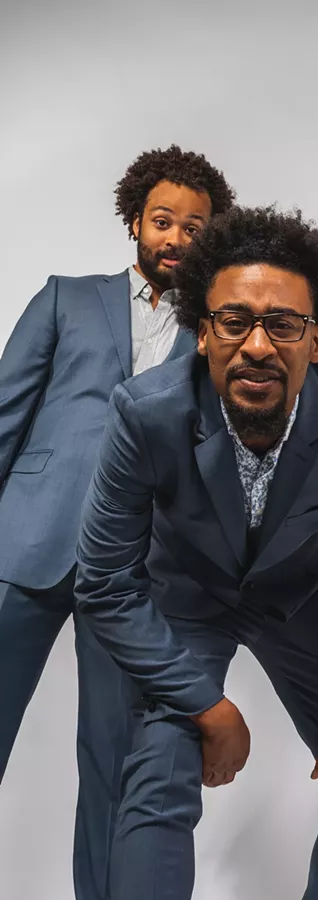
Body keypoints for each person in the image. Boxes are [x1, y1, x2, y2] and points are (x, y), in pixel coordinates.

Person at [74, 206, 318, 900]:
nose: (257, 345)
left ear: (317, 339)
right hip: (185, 597)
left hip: (303, 596)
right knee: (156, 782)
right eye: (234, 321)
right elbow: (105, 582)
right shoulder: (144, 413)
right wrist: (208, 706)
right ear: (202, 332)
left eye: (284, 324)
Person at [0, 144, 235, 899]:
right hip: (29, 540)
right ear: (135, 220)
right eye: (163, 221)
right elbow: (5, 414)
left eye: (194, 228)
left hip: (133, 569)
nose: (176, 238)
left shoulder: (218, 330)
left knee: (111, 758)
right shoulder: (66, 298)